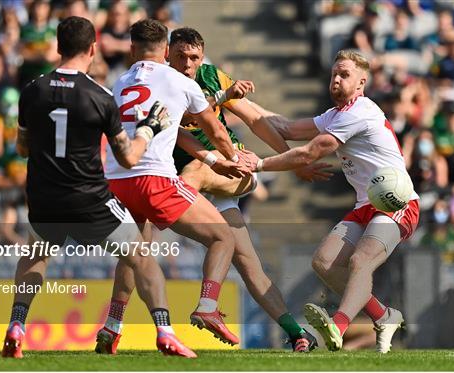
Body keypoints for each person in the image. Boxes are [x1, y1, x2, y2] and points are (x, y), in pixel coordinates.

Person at [101, 27, 328, 353]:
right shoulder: (163, 82)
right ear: (168, 53)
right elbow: (181, 130)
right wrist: (221, 105)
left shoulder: (208, 76)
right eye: (182, 57)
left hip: (226, 172)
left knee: (186, 184)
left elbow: (255, 120)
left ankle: (191, 309)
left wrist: (292, 161)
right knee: (243, 261)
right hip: (188, 174)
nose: (189, 64)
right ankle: (296, 333)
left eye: (195, 57)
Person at [2, 16, 196, 359]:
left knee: (35, 256)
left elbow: (21, 149)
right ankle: (165, 332)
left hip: (44, 198)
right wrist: (149, 128)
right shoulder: (100, 97)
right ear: (93, 49)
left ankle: (16, 326)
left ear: (58, 48)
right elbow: (129, 157)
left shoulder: (32, 90)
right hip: (89, 199)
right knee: (141, 257)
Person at [244, 50, 420, 353]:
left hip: (397, 202)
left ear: (362, 82)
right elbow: (284, 127)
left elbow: (309, 152)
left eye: (344, 75)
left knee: (359, 261)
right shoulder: (335, 114)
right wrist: (235, 101)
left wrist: (258, 164)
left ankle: (337, 327)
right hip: (366, 205)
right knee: (324, 263)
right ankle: (384, 316)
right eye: (334, 74)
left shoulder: (359, 111)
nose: (336, 80)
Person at [104, 19, 249, 349]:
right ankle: (208, 307)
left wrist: (212, 161)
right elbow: (214, 129)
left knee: (135, 254)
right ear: (167, 52)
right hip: (153, 179)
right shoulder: (179, 81)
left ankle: (112, 326)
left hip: (115, 182)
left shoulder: (119, 82)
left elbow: (176, 130)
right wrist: (233, 158)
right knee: (222, 236)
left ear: (131, 49)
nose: (187, 65)